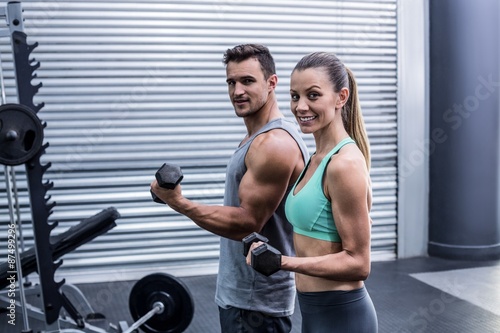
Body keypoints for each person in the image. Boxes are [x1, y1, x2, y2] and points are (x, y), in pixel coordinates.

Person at [151, 44, 309, 333]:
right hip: (246, 297)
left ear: (271, 83)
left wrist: (179, 203)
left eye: (247, 81)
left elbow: (247, 224)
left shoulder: (273, 144)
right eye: (231, 82)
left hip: (255, 304)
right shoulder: (257, 139)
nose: (237, 91)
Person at [247, 52, 378, 332]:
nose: (301, 106)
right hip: (314, 312)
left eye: (313, 95)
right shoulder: (316, 157)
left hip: (342, 315)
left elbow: (358, 263)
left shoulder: (343, 164)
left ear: (341, 97)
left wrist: (282, 262)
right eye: (295, 96)